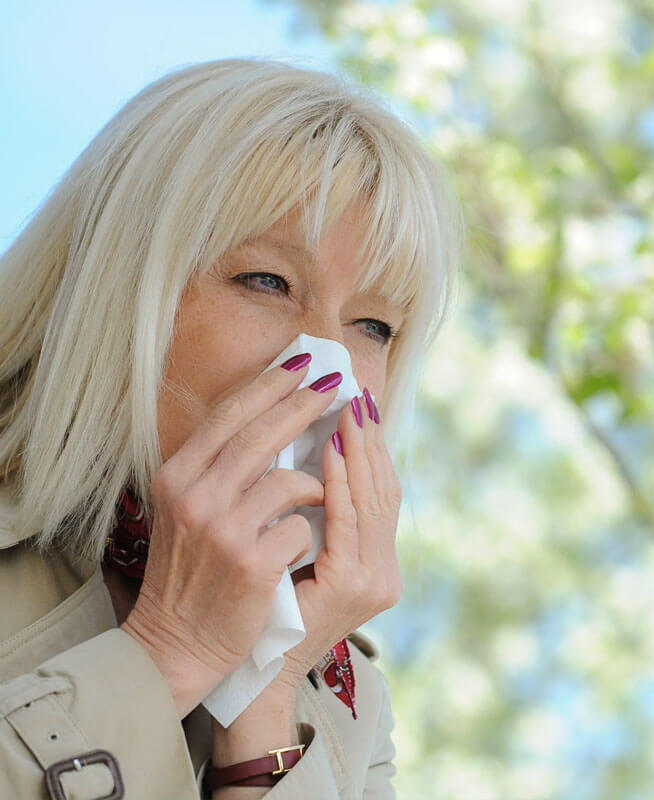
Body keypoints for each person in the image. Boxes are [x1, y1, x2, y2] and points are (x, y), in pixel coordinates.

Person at [0, 58, 458, 798]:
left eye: (373, 325)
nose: (327, 361)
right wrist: (170, 652)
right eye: (268, 282)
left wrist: (266, 690)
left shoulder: (348, 705)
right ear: (116, 288)